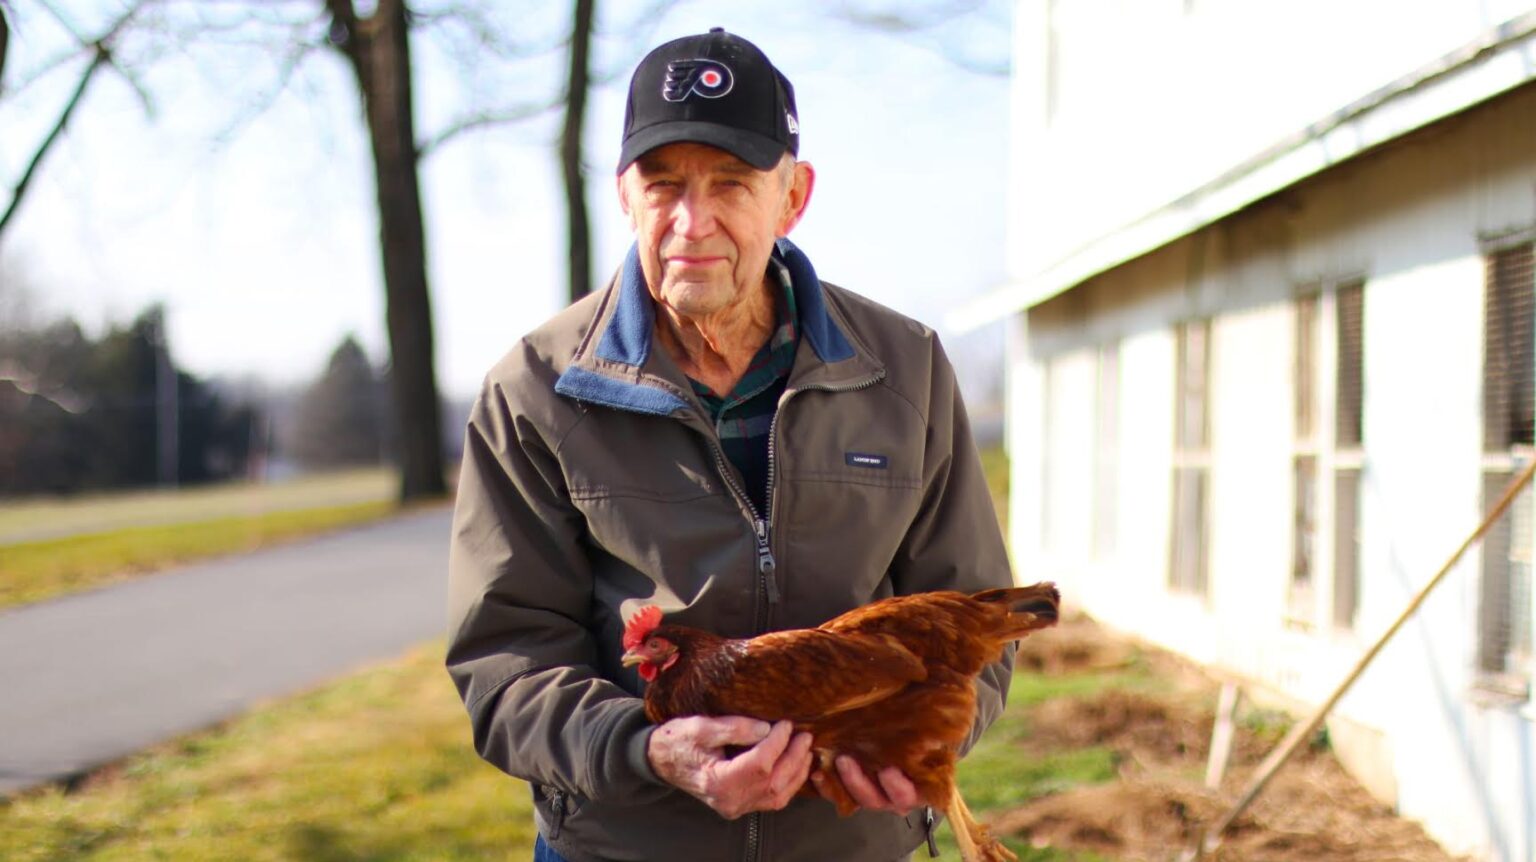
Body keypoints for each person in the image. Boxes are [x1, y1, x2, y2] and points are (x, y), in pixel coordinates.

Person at [446, 27, 1014, 862]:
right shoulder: (533, 390)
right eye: (664, 183)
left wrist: (917, 746)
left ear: (794, 196)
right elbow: (505, 662)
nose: (692, 221)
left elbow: (976, 621)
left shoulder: (906, 371)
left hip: (849, 846)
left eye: (733, 185)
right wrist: (642, 750)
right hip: (627, 846)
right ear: (624, 195)